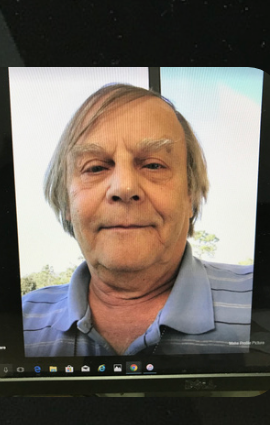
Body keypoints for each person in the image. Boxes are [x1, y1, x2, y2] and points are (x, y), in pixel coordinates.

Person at [21, 83, 253, 357]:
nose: (125, 187)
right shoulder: (21, 322)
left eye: (154, 165)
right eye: (95, 168)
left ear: (190, 194)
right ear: (67, 201)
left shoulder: (265, 298)